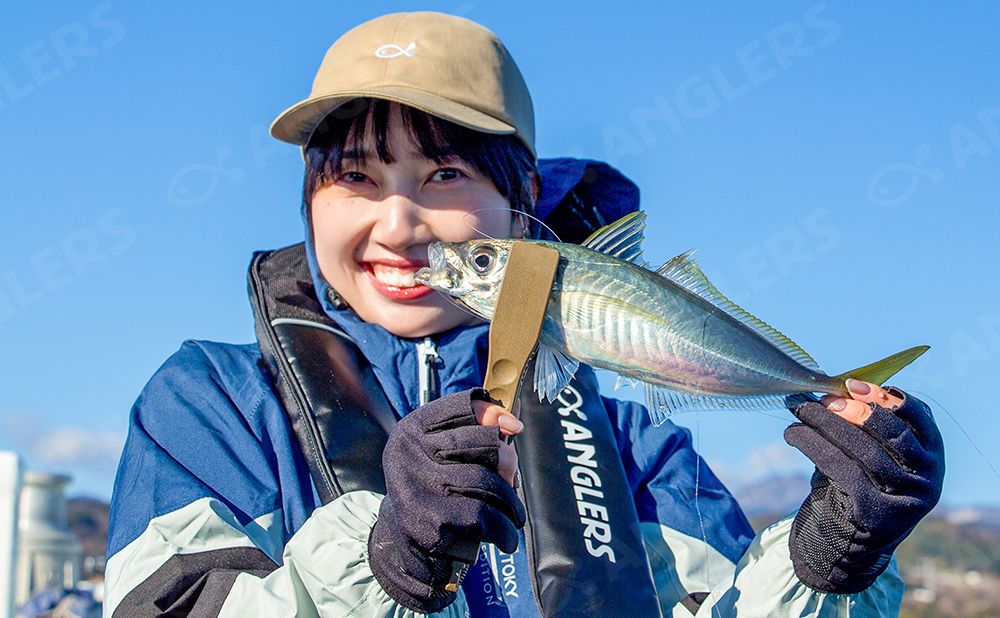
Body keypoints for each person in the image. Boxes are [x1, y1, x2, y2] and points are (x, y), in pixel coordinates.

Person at [103, 12, 945, 618]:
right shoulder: (206, 405)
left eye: (443, 176)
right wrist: (381, 564)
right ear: (311, 199)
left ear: (522, 205)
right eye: (356, 177)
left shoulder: (634, 447)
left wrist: (831, 559)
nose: (398, 226)